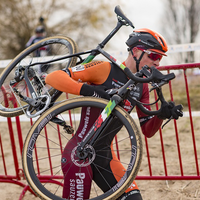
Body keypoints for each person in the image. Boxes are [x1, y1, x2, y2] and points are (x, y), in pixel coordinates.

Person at [45, 28, 183, 200]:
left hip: (105, 157)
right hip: (79, 153)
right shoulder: (105, 68)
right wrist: (89, 90)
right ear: (136, 51)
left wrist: (160, 115)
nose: (158, 63)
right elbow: (53, 77)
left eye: (160, 58)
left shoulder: (142, 86)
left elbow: (147, 131)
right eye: (154, 56)